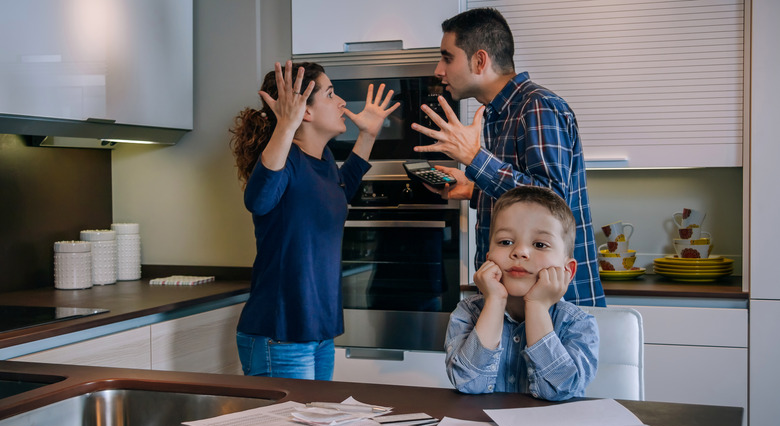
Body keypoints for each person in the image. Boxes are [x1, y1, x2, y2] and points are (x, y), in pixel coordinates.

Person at [412, 8, 606, 307]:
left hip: (554, 304)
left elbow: (552, 201)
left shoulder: (537, 106)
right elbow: (523, 197)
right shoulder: (499, 112)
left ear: (480, 60)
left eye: (447, 57)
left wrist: (475, 158)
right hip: (517, 300)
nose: (439, 69)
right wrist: (475, 190)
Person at [229, 61, 399, 380]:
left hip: (318, 334)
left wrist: (368, 134)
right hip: (281, 334)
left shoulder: (324, 163)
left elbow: (339, 193)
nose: (342, 103)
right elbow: (258, 200)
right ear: (304, 112)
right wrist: (285, 126)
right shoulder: (286, 161)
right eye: (332, 94)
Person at [445, 186, 599, 400]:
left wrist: (537, 307)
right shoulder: (467, 313)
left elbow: (560, 391)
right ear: (489, 258)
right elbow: (468, 383)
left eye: (540, 244)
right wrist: (495, 301)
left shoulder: (578, 325)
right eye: (506, 242)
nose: (519, 251)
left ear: (567, 270)